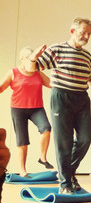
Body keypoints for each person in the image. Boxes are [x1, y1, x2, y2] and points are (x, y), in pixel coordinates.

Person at [27, 18, 91, 194]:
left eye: (89, 34)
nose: (86, 36)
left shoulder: (86, 55)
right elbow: (33, 68)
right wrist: (32, 58)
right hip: (61, 97)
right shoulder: (57, 49)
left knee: (84, 140)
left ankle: (69, 172)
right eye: (83, 32)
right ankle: (65, 184)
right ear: (72, 31)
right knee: (63, 142)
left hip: (81, 98)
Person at [0, 47, 53, 177]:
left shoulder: (38, 73)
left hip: (36, 108)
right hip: (18, 109)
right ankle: (22, 170)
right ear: (23, 59)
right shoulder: (13, 72)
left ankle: (42, 157)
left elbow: (52, 84)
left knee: (46, 128)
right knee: (22, 140)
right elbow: (1, 87)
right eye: (30, 59)